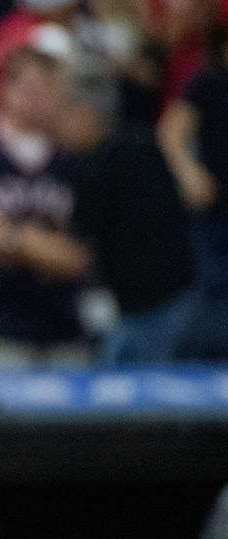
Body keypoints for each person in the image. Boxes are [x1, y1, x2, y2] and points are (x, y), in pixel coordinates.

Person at [0, 47, 91, 367]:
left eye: (45, 89)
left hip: (63, 326)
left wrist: (4, 238)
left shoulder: (73, 161)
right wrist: (27, 243)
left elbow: (79, 255)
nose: (34, 99)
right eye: (26, 88)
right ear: (5, 90)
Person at [57, 67, 197, 363]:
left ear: (84, 113)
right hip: (182, 293)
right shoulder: (145, 142)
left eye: (63, 115)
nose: (59, 127)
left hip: (143, 311)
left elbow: (84, 250)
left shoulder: (94, 165)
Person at [159, 20, 228, 359]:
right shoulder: (208, 81)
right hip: (217, 212)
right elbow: (171, 132)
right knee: (215, 301)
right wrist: (190, 174)